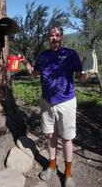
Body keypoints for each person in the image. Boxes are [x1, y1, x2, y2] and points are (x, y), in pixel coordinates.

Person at [20, 26, 89, 187]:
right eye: (51, 35)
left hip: (66, 103)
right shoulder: (43, 55)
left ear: (62, 38)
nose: (54, 37)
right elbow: (34, 74)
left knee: (66, 138)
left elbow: (81, 78)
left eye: (57, 35)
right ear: (48, 38)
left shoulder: (71, 54)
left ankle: (68, 173)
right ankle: (51, 166)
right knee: (51, 136)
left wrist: (87, 71)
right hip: (47, 102)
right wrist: (25, 63)